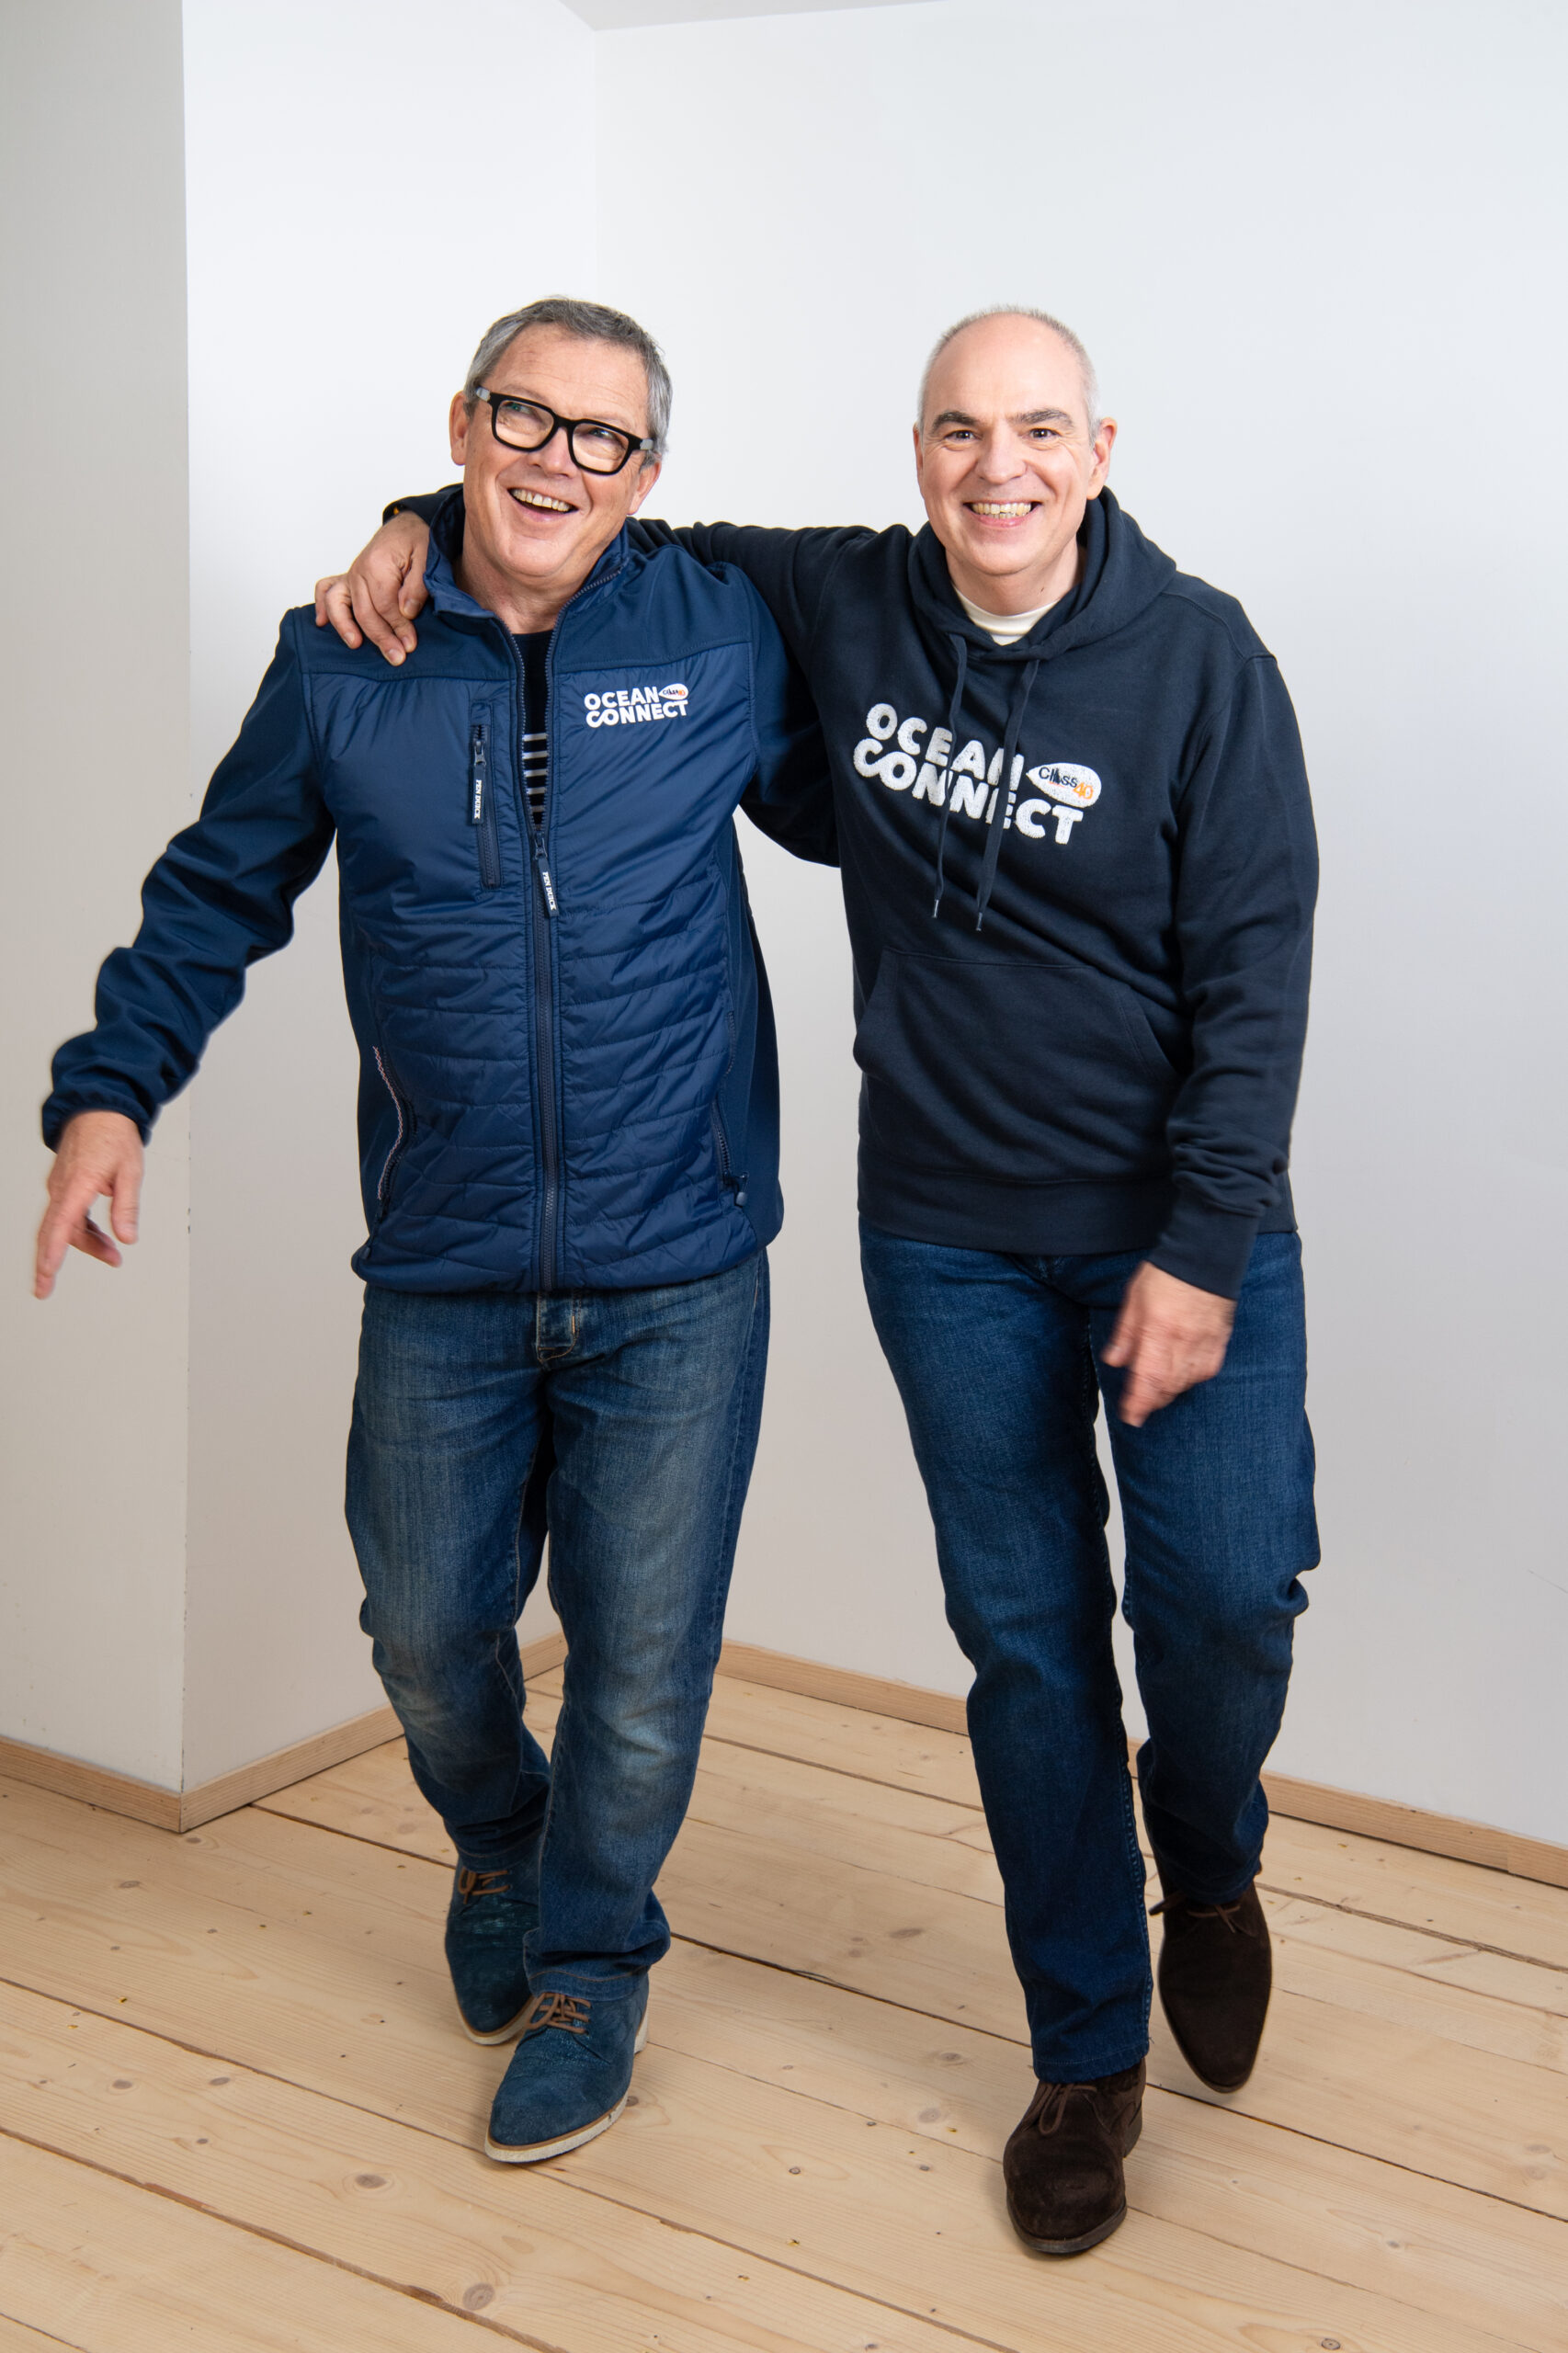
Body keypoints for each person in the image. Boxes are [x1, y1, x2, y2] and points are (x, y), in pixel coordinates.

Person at [323, 304, 1320, 2256]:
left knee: (1222, 1605)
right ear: (917, 452)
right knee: (1029, 1643)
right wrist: (412, 523)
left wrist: (1200, 1248)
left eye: (1036, 428)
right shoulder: (846, 600)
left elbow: (1256, 976)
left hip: (1184, 1233)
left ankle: (1206, 1857)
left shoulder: (1202, 660)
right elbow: (579, 513)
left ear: (1098, 449)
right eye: (957, 430)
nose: (996, 466)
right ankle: (1084, 2055)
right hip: (945, 1235)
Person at [35, 296, 827, 2168]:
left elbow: (875, 791)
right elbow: (217, 888)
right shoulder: (345, 657)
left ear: (648, 471)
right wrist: (110, 1089)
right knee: (422, 1629)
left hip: (680, 1256)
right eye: (524, 419)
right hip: (445, 1257)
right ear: (463, 421)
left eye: (603, 436)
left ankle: (592, 1966)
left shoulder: (718, 632)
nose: (558, 461)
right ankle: (498, 1838)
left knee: (642, 1672)